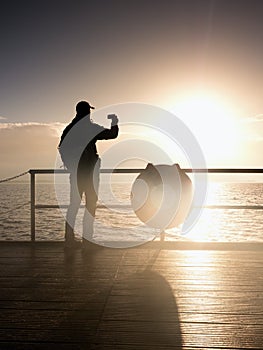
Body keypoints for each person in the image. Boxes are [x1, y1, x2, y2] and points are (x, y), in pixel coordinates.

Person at [58, 101, 119, 249]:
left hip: (76, 173)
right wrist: (114, 122)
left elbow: (61, 147)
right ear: (87, 112)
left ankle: (69, 240)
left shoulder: (70, 129)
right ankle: (88, 240)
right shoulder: (90, 128)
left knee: (74, 205)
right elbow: (112, 134)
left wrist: (72, 166)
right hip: (90, 173)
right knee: (90, 205)